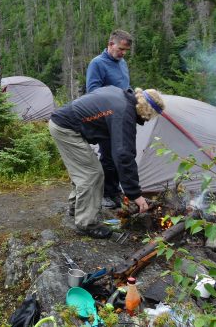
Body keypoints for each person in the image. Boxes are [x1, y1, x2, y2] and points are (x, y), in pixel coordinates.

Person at [48, 86, 165, 239]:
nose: (148, 120)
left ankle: (77, 208)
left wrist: (117, 188)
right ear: (147, 111)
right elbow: (124, 155)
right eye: (151, 116)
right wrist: (135, 194)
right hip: (66, 128)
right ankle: (87, 224)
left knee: (86, 170)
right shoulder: (123, 112)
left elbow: (113, 149)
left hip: (65, 123)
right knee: (92, 174)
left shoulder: (121, 96)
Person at [86, 29, 133, 209]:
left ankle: (115, 191)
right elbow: (93, 91)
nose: (123, 53)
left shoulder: (122, 63)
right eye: (121, 49)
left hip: (122, 117)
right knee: (107, 156)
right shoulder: (97, 63)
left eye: (125, 50)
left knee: (120, 155)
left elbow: (124, 87)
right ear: (111, 44)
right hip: (105, 118)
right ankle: (105, 193)